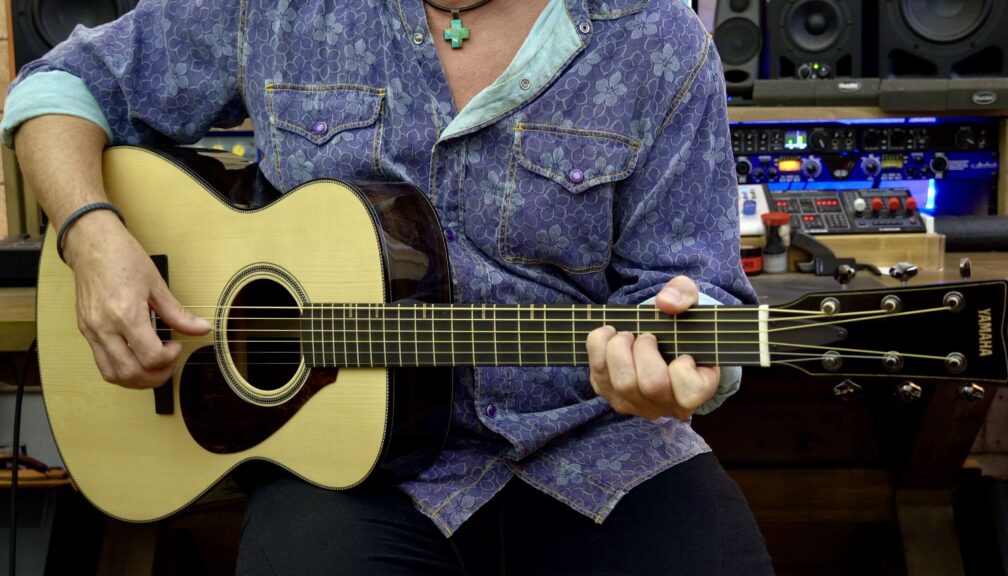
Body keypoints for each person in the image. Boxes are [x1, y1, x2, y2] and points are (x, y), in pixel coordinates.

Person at [3, 0, 773, 573]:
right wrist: (90, 232)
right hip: (351, 470)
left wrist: (674, 358)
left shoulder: (656, 36)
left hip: (595, 451)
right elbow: (59, 87)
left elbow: (689, 287)